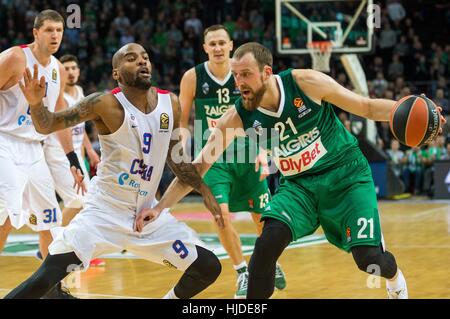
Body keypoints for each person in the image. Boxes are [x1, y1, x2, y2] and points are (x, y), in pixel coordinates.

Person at [137, 42, 445, 299]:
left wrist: (413, 112)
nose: (239, 82)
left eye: (246, 75)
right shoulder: (238, 115)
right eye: (235, 75)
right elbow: (200, 165)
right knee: (266, 245)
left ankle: (395, 280)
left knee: (369, 260)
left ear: (267, 73)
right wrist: (160, 207)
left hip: (346, 176)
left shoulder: (305, 82)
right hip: (299, 187)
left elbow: (364, 107)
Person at [5, 43, 223, 299]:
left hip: (146, 216)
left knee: (208, 266)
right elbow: (46, 125)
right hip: (104, 213)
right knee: (47, 276)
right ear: (116, 73)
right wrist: (35, 103)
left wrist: (205, 192)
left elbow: (178, 163)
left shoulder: (170, 103)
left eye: (145, 57)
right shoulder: (104, 103)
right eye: (131, 59)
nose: (142, 62)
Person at [179, 25, 286, 298]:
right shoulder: (193, 77)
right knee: (221, 217)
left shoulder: (245, 75)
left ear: (230, 45)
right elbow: (182, 123)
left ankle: (269, 261)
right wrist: (182, 152)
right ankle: (242, 272)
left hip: (248, 155)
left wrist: (266, 151)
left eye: (221, 43)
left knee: (264, 220)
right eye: (211, 43)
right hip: (214, 161)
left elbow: (266, 112)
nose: (216, 48)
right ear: (204, 48)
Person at [0, 10, 84, 298]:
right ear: (35, 33)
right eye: (49, 30)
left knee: (49, 217)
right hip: (5, 142)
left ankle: (52, 288)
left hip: (33, 148)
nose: (55, 36)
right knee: (4, 217)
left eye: (59, 31)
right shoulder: (15, 58)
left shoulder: (58, 69)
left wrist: (73, 159)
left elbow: (58, 117)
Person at [42, 54, 104, 267]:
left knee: (88, 203)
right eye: (66, 68)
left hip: (77, 154)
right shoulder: (54, 96)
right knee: (78, 201)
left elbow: (80, 127)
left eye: (73, 68)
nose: (70, 71)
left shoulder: (79, 93)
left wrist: (89, 150)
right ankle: (50, 245)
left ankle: (69, 246)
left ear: (78, 71)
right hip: (58, 154)